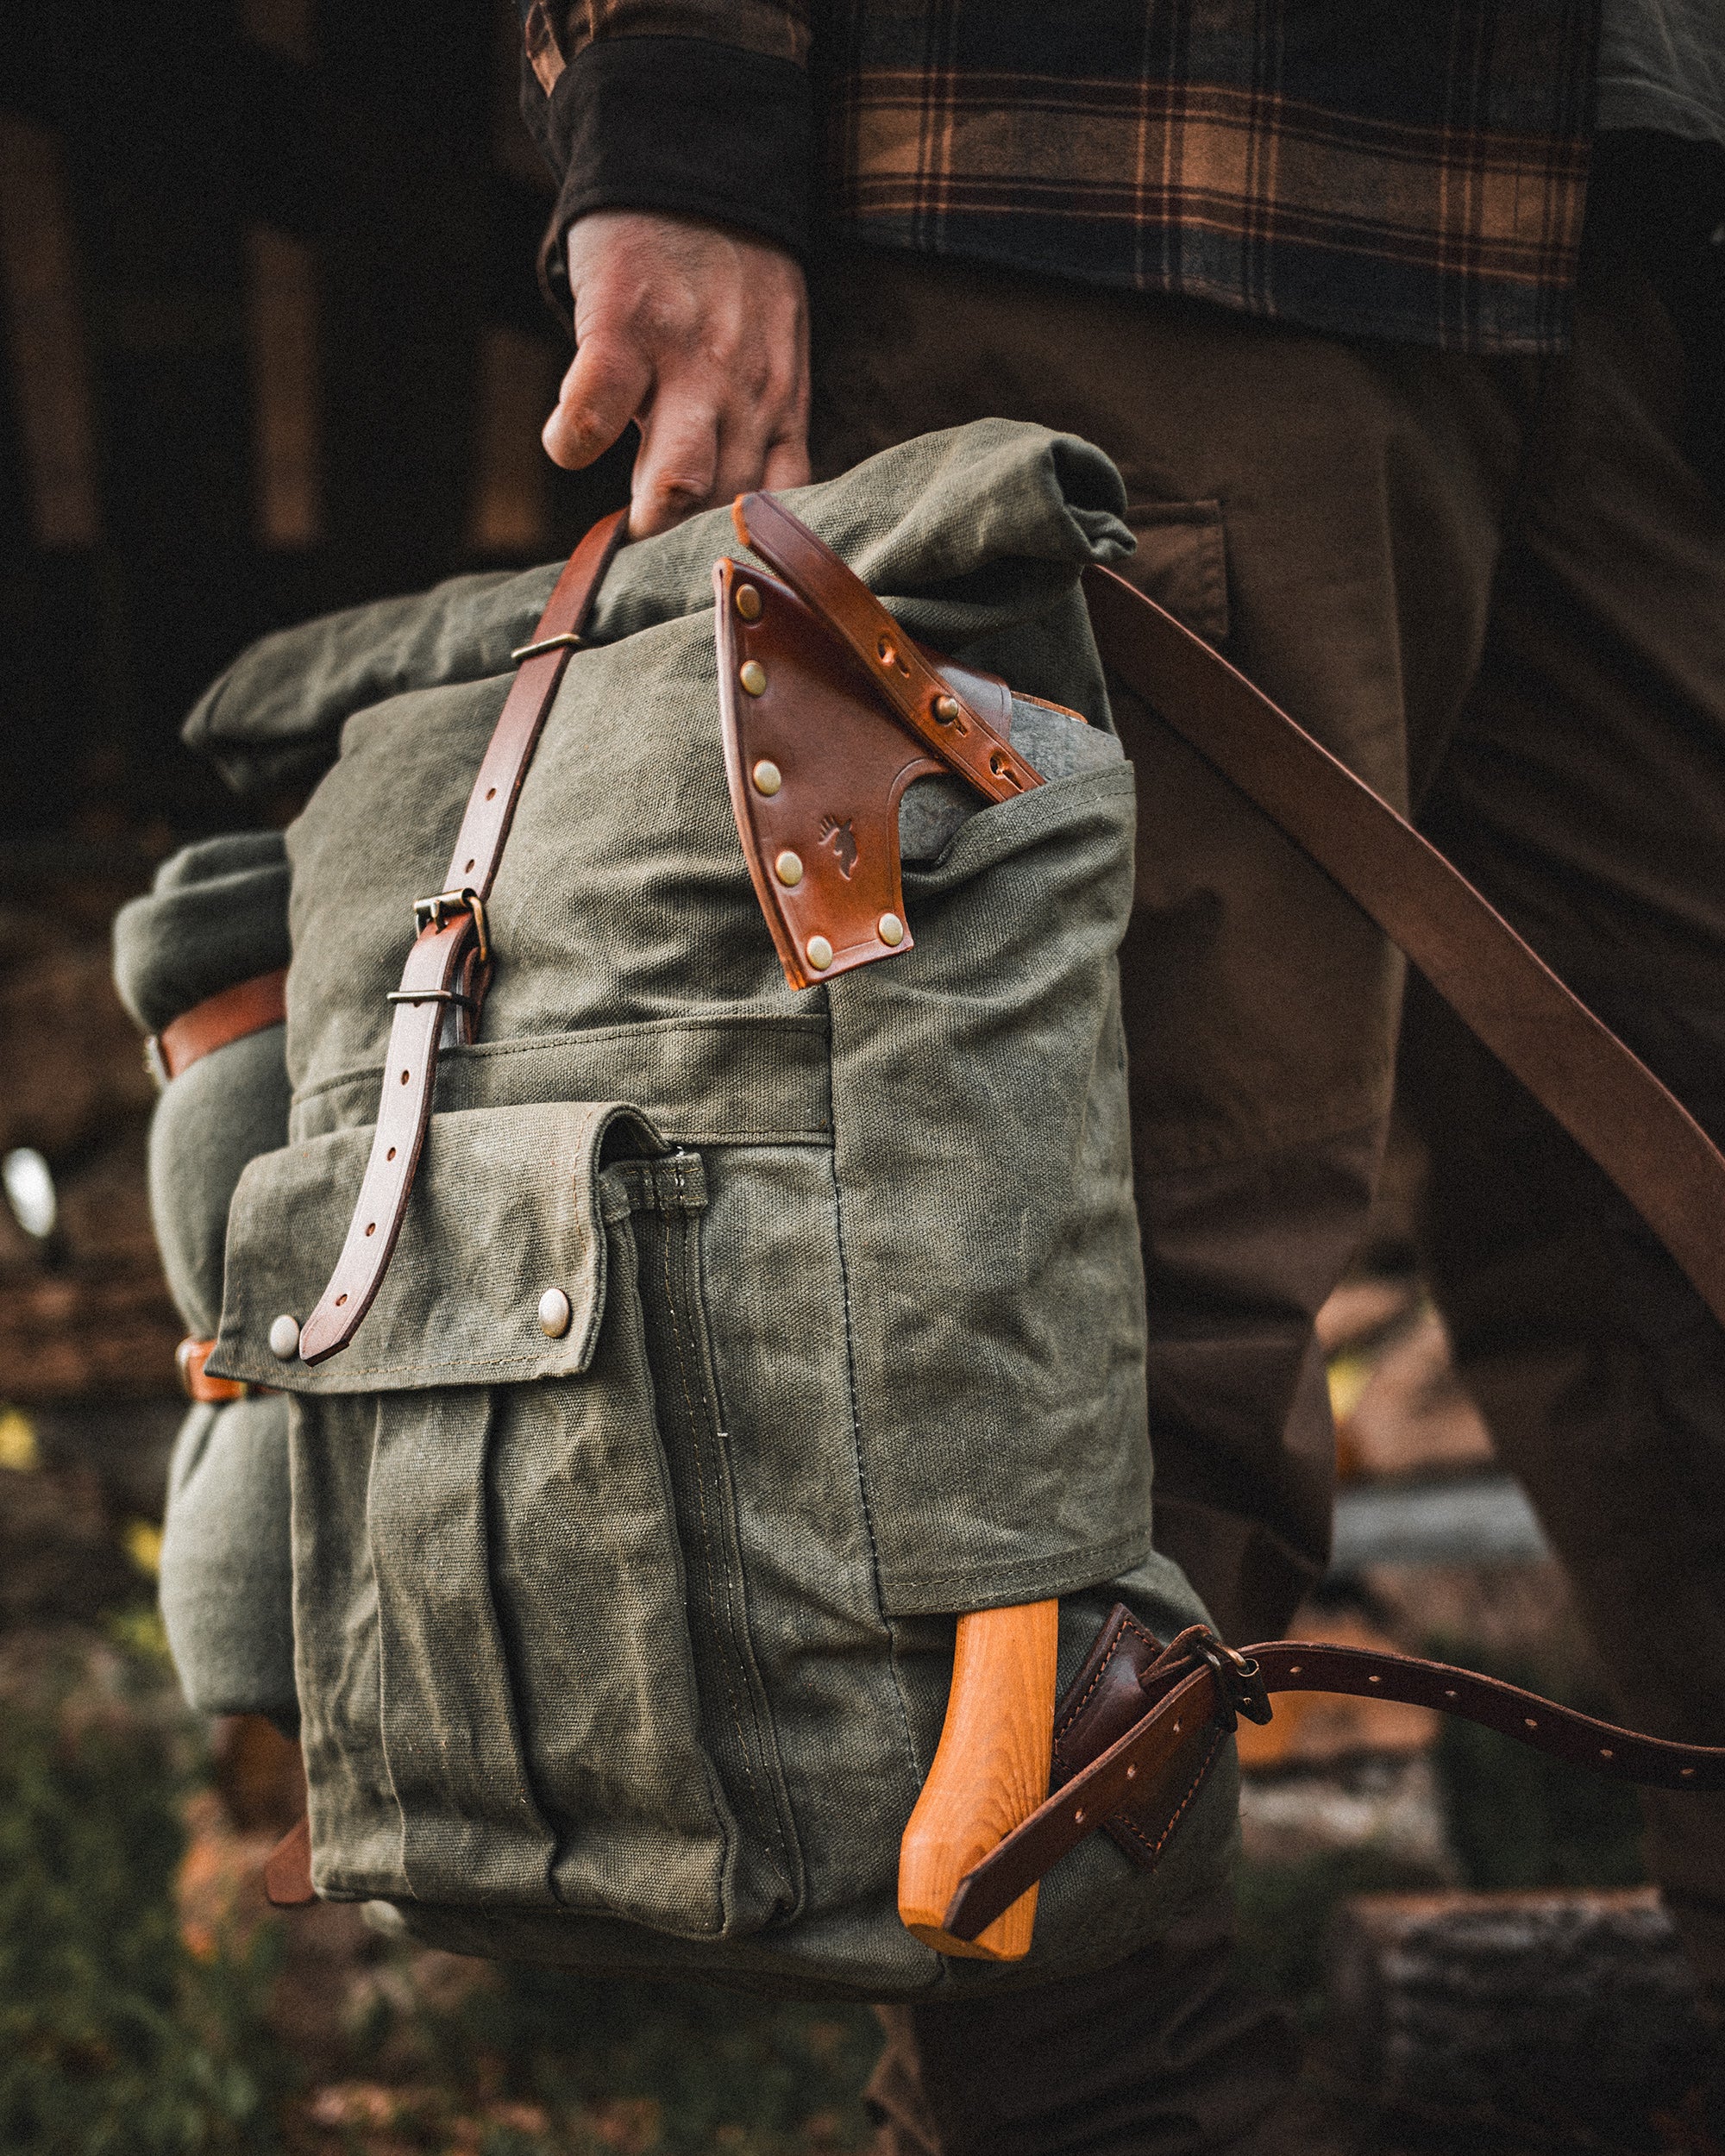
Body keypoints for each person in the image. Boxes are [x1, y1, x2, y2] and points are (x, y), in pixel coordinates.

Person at [515, 7, 1725, 2150]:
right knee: (1102, 1314)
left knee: (1683, 1225)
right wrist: (678, 102)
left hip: (1613, 229)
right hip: (1109, 181)